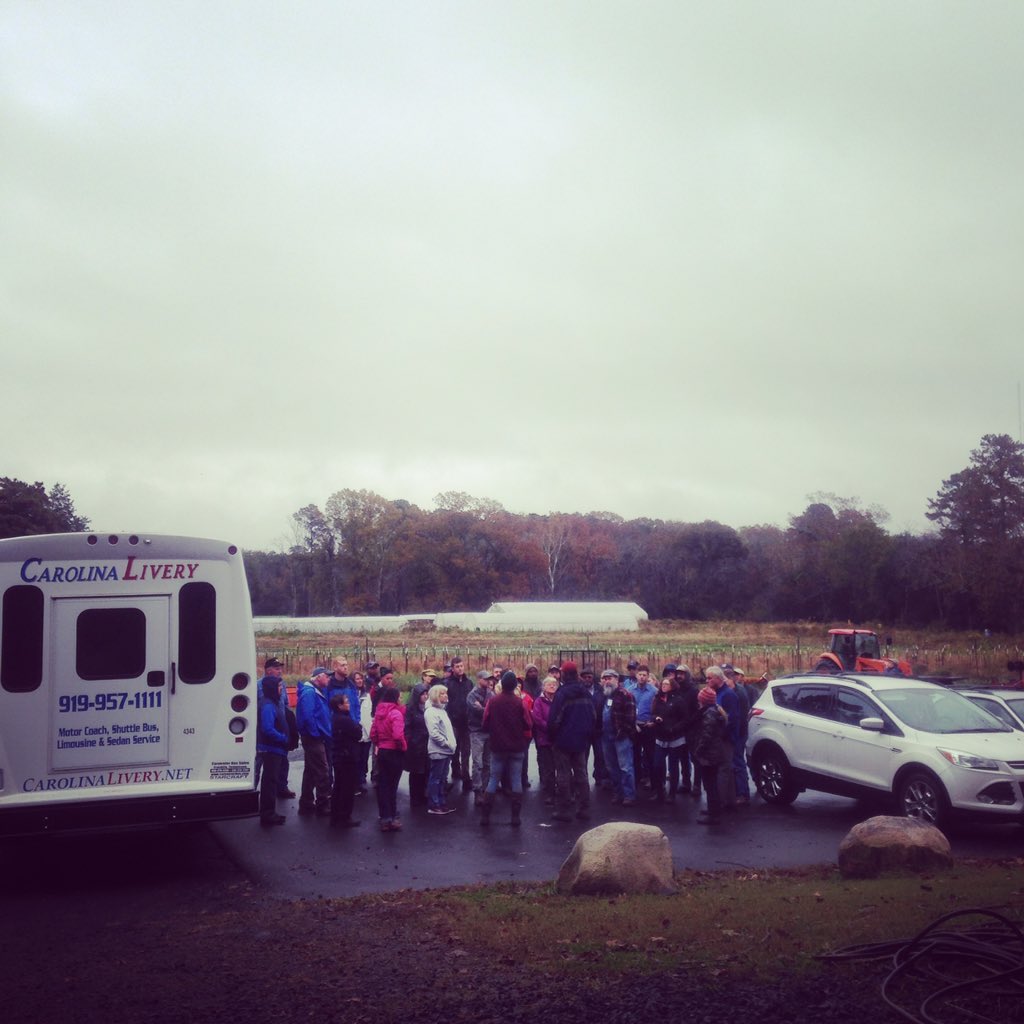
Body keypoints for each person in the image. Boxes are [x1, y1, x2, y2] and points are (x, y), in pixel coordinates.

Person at [479, 671, 533, 826]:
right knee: (516, 779)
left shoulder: (493, 701)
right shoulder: (520, 702)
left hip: (497, 746)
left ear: (501, 685)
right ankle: (515, 817)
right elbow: (528, 724)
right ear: (515, 686)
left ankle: (485, 816)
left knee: (493, 779)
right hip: (517, 746)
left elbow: (485, 723)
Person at [548, 661, 596, 822]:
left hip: (562, 742)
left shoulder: (562, 694)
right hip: (581, 741)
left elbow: (554, 720)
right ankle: (584, 809)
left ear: (564, 674)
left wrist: (553, 737)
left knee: (563, 775)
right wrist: (587, 734)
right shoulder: (585, 692)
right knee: (582, 774)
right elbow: (593, 716)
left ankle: (564, 810)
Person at [253, 656, 295, 800]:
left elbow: (286, 705)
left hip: (279, 728)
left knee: (283, 761)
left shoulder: (281, 685)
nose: (280, 671)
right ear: (268, 671)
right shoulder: (257, 685)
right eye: (277, 669)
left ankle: (281, 788)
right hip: (265, 731)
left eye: (280, 669)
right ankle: (252, 790)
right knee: (259, 762)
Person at [295, 666, 332, 817]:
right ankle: (322, 804)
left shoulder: (313, 691)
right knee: (323, 770)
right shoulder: (310, 692)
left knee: (310, 770)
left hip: (314, 737)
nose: (329, 679)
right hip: (314, 738)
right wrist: (316, 734)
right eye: (327, 677)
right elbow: (307, 716)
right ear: (319, 677)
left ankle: (306, 803)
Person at [369, 685, 407, 832]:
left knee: (383, 784)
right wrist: (403, 746)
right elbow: (398, 735)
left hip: (383, 751)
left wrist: (380, 744)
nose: (401, 699)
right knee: (393, 786)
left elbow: (373, 734)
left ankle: (384, 817)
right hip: (394, 752)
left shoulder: (379, 713)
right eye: (400, 696)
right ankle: (393, 816)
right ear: (395, 698)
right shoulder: (396, 714)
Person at [599, 668, 637, 808]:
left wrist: (623, 731)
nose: (607, 681)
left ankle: (629, 795)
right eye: (605, 678)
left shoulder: (626, 695)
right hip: (606, 736)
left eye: (610, 678)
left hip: (621, 737)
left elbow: (631, 717)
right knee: (611, 767)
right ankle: (617, 793)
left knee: (625, 767)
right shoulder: (605, 695)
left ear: (617, 680)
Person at [650, 666, 688, 802]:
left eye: (666, 684)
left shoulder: (678, 700)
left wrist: (674, 728)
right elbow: (653, 713)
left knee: (673, 766)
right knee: (657, 765)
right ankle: (659, 791)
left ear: (672, 686)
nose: (664, 686)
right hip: (660, 737)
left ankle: (672, 793)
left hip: (674, 738)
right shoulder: (657, 699)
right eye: (662, 684)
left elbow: (685, 719)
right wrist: (655, 719)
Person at [693, 682, 729, 824]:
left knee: (710, 784)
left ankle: (714, 815)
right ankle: (713, 809)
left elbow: (706, 736)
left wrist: (698, 751)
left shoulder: (709, 714)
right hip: (714, 753)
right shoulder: (715, 710)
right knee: (711, 783)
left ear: (703, 700)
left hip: (709, 755)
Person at [256, 674, 288, 827]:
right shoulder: (268, 705)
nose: (281, 689)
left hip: (275, 749)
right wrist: (282, 738)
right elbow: (267, 729)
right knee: (269, 782)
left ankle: (270, 812)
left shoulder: (271, 702)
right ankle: (267, 814)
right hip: (271, 749)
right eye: (279, 686)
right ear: (271, 688)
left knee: (271, 781)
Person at [328, 692, 362, 829]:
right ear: (339, 706)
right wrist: (357, 727)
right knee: (347, 788)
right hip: (347, 757)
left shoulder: (335, 718)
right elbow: (358, 733)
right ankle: (344, 817)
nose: (349, 704)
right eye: (346, 702)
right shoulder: (344, 720)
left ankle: (335, 816)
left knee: (339, 786)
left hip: (339, 756)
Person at [721, 664, 752, 806]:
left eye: (724, 680)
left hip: (738, 734)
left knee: (738, 762)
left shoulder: (739, 694)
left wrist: (734, 737)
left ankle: (743, 793)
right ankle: (737, 792)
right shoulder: (735, 690)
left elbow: (739, 717)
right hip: (737, 732)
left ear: (730, 680)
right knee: (735, 762)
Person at [424, 684, 457, 815]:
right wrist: (447, 744)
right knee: (436, 779)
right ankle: (434, 804)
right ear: (436, 696)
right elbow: (434, 733)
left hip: (446, 751)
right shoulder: (431, 712)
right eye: (442, 694)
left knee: (442, 779)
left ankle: (441, 802)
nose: (445, 695)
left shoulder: (442, 711)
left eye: (445, 693)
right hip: (438, 751)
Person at [626, 664, 658, 789]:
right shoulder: (629, 690)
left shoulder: (654, 691)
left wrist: (653, 721)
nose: (642, 677)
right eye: (640, 675)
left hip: (648, 726)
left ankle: (651, 778)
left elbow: (658, 709)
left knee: (650, 754)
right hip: (634, 726)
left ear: (648, 676)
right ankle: (637, 778)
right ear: (636, 675)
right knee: (634, 754)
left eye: (644, 675)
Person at [444, 656, 473, 791]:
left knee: (466, 751)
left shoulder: (469, 683)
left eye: (461, 666)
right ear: (453, 668)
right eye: (457, 666)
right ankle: (455, 770)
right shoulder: (448, 683)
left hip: (466, 723)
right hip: (453, 722)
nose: (460, 668)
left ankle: (466, 776)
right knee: (453, 749)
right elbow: (445, 702)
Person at [674, 664, 702, 798]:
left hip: (692, 729)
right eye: (677, 673)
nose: (679, 676)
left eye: (682, 673)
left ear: (687, 675)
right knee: (683, 757)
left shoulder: (694, 690)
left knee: (695, 758)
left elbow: (698, 711)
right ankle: (686, 783)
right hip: (680, 729)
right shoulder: (677, 689)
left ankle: (697, 785)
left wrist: (689, 722)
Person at [530, 675, 559, 804]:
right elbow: (537, 719)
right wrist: (550, 728)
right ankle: (550, 794)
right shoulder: (538, 701)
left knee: (562, 767)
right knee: (549, 768)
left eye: (554, 684)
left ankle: (564, 792)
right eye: (549, 684)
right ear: (543, 687)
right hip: (545, 739)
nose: (552, 686)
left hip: (559, 739)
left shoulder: (560, 700)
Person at [404, 676, 432, 808]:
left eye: (427, 693)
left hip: (426, 744)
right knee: (416, 773)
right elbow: (407, 727)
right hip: (415, 745)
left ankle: (422, 795)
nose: (425, 696)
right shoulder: (410, 709)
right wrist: (410, 741)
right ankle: (414, 797)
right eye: (423, 694)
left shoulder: (428, 708)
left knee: (426, 771)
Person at [467, 669, 493, 801]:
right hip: (476, 732)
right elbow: (480, 712)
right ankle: (477, 790)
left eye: (489, 679)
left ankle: (485, 789)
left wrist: (483, 708)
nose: (489, 681)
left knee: (488, 762)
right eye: (486, 679)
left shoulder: (491, 693)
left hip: (488, 731)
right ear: (479, 679)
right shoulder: (472, 695)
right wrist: (486, 709)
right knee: (477, 763)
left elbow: (492, 711)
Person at [351, 670, 373, 793]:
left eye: (360, 679)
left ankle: (362, 779)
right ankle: (355, 782)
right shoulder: (350, 695)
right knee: (356, 758)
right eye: (356, 679)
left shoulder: (367, 695)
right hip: (355, 733)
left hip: (366, 733)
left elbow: (369, 715)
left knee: (364, 758)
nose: (359, 681)